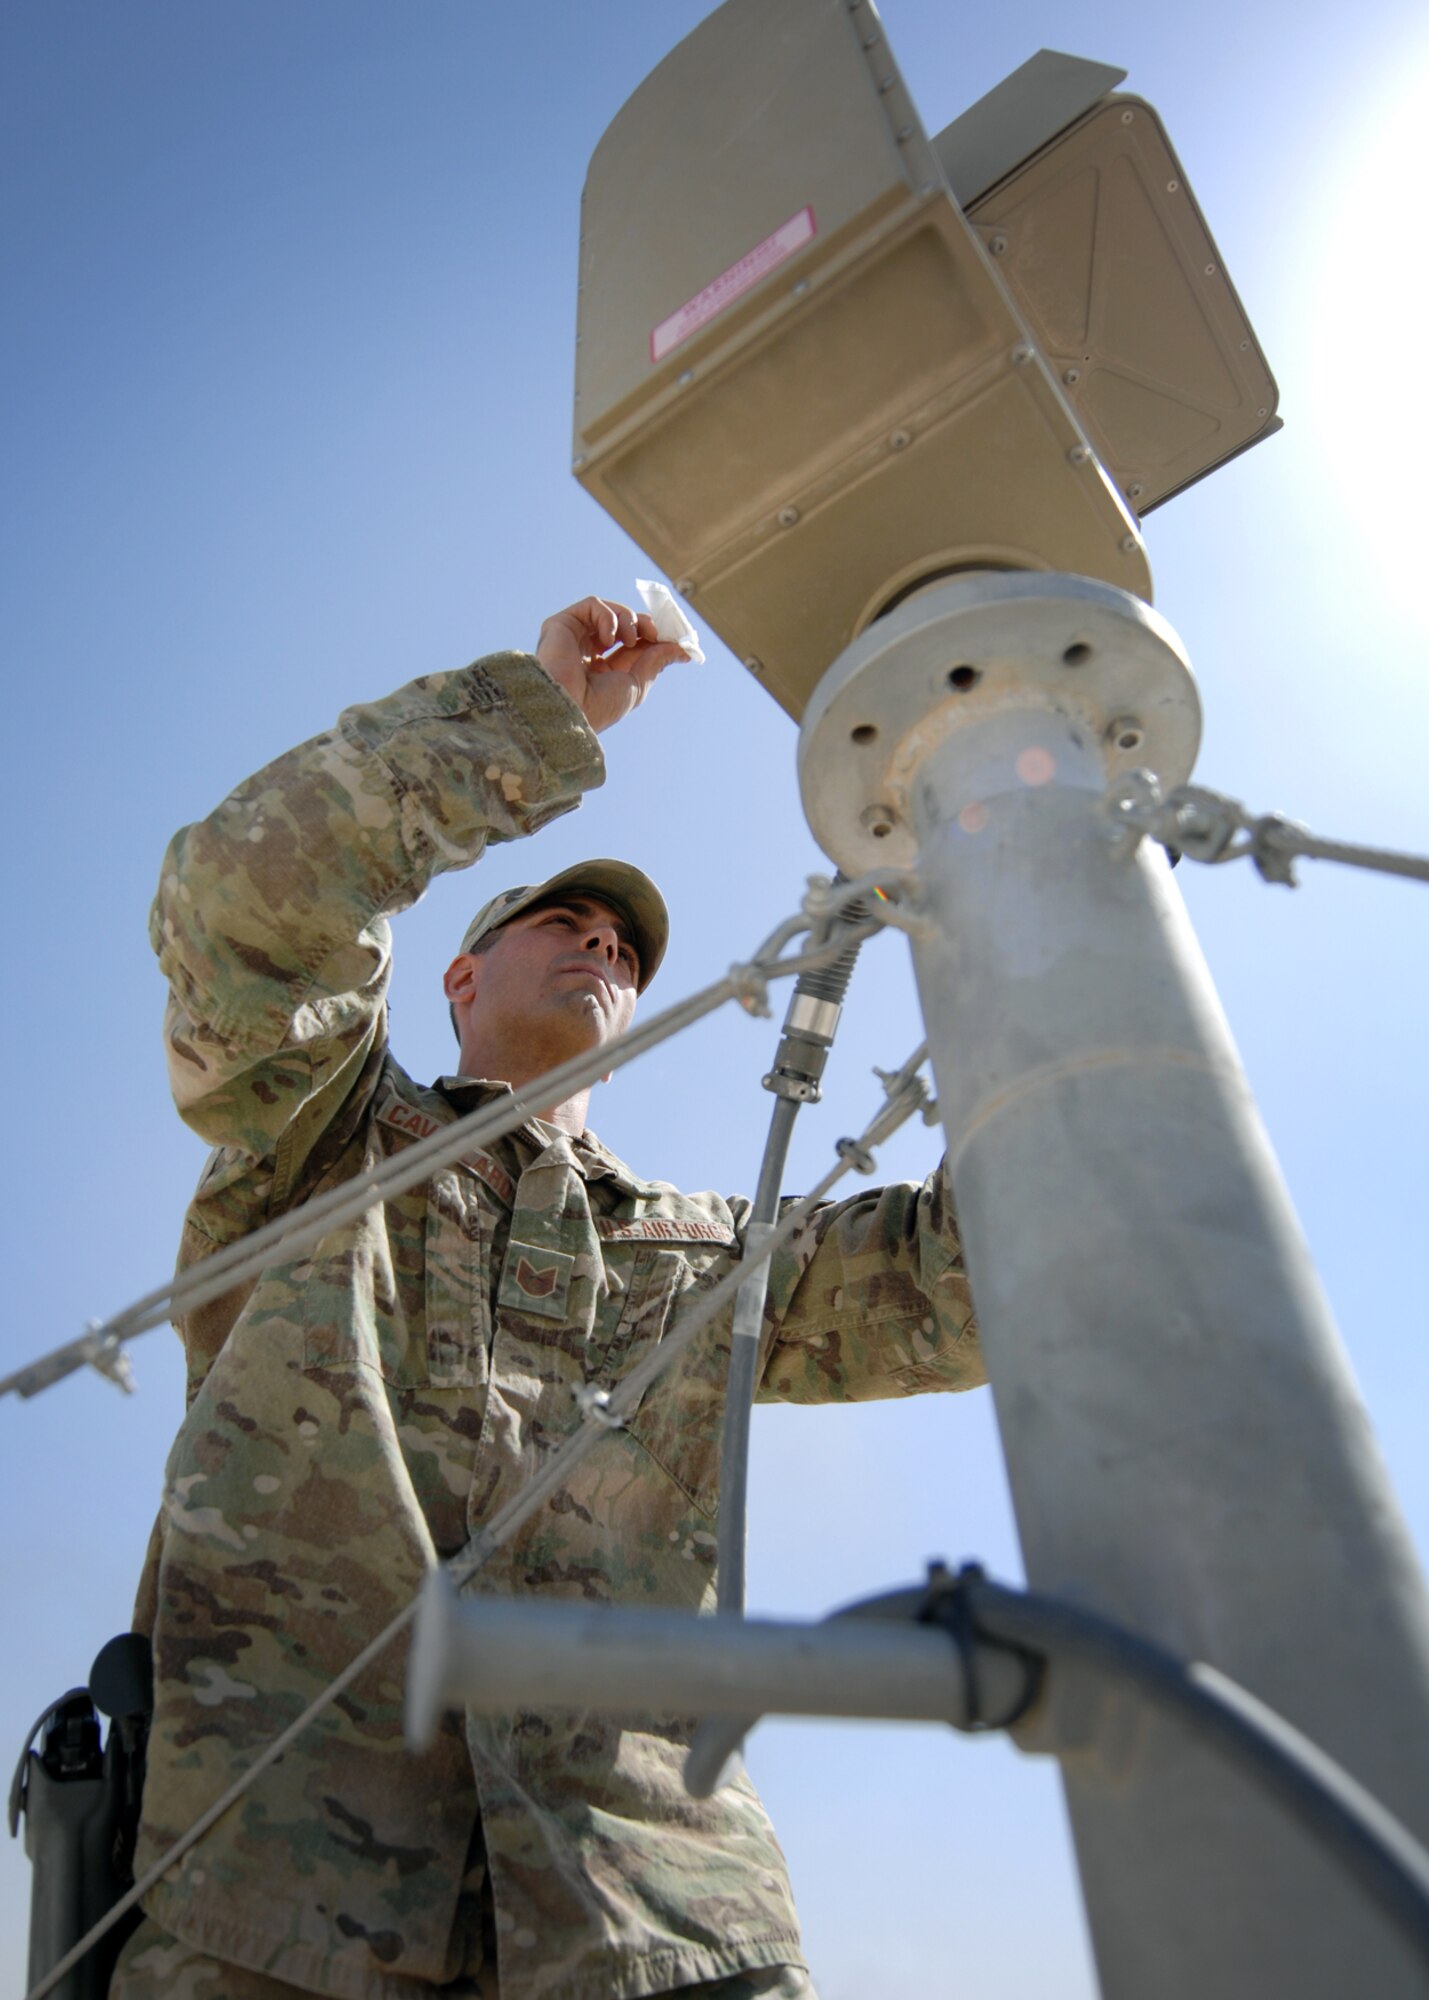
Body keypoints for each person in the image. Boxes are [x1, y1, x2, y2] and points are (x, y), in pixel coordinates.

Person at [112, 598, 985, 2000]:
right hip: (274, 1920)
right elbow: (237, 903)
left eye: (624, 951)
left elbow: (975, 1279)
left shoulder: (708, 1260)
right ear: (461, 976)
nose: (601, 949)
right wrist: (533, 720)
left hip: (654, 1932)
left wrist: (1017, 890)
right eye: (562, 923)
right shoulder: (321, 1139)